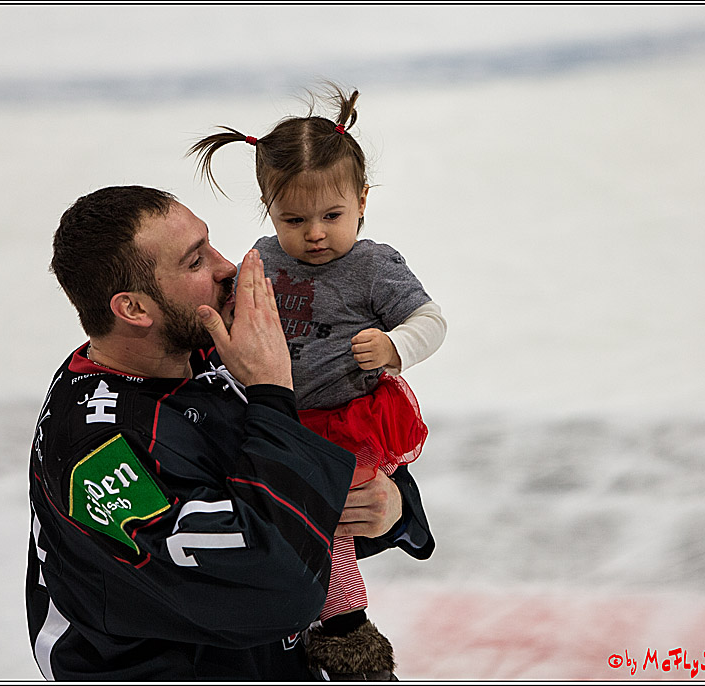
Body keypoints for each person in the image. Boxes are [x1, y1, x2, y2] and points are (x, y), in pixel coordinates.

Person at [25, 185, 436, 680]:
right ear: (133, 309)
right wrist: (272, 391)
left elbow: (325, 474)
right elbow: (279, 587)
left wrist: (390, 507)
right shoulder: (99, 455)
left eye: (210, 244)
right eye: (195, 261)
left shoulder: (213, 351)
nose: (228, 267)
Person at [188, 84, 446, 679]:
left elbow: (431, 321)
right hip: (272, 416)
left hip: (345, 418)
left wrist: (395, 347)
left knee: (331, 515)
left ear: (362, 201)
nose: (315, 234)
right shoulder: (262, 258)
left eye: (332, 216)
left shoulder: (373, 265)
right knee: (281, 514)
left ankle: (345, 627)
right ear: (268, 210)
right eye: (294, 219)